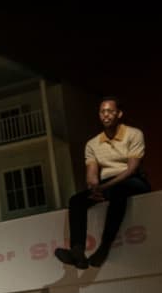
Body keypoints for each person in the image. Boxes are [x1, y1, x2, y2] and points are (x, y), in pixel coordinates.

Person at [55, 97, 150, 269]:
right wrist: (94, 187)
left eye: (110, 111)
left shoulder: (134, 134)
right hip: (106, 184)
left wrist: (105, 187)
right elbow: (91, 172)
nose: (105, 115)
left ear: (119, 114)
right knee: (76, 200)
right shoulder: (92, 143)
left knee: (119, 190)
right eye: (102, 111)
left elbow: (131, 169)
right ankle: (77, 251)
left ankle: (105, 246)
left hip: (133, 181)